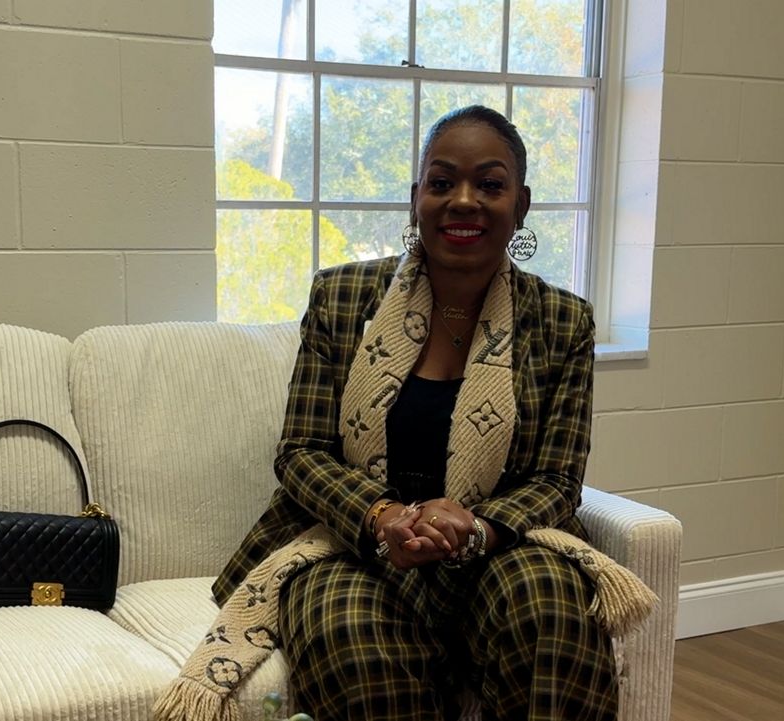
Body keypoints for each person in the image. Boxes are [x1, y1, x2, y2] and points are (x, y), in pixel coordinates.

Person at [154, 106, 654, 721]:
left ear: (520, 205)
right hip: (350, 541)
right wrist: (385, 515)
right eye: (442, 183)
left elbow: (556, 479)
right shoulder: (341, 297)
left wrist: (474, 529)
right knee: (352, 638)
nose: (464, 201)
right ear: (416, 198)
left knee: (550, 609)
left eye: (489, 185)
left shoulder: (562, 320)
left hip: (494, 543)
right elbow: (301, 452)